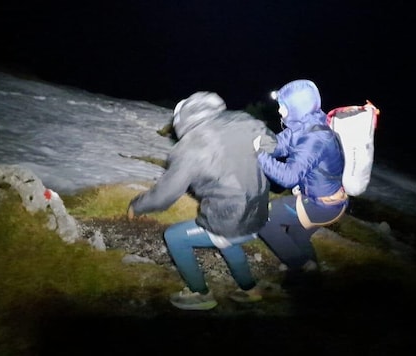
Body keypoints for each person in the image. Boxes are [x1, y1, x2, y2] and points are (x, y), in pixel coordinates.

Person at [127, 91, 277, 310]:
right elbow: (274, 146)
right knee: (226, 239)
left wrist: (137, 205)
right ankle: (250, 288)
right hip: (260, 215)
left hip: (231, 219)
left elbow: (164, 196)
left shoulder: (191, 145)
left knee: (175, 237)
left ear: (184, 118)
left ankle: (200, 294)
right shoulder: (246, 122)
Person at [254, 79, 348, 276]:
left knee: (262, 218)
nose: (280, 111)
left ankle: (300, 265)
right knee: (297, 234)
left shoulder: (315, 138)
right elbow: (279, 145)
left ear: (297, 107)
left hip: (322, 205)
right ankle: (309, 280)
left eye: (283, 107)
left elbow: (289, 177)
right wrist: (256, 142)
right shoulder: (304, 125)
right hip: (325, 200)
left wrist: (258, 155)